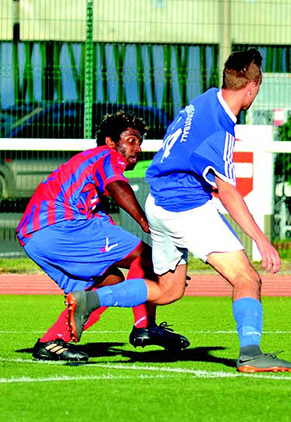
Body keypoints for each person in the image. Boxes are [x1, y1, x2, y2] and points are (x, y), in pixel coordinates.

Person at [140, 48, 291, 373]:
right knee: (247, 278)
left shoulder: (202, 102)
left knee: (168, 290)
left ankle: (95, 299)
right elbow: (228, 193)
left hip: (156, 201)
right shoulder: (220, 128)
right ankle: (251, 354)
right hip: (183, 207)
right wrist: (262, 241)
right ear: (253, 87)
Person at [17, 111, 188, 363]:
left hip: (35, 238)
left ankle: (51, 342)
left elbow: (96, 210)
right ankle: (145, 326)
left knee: (109, 283)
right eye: (132, 140)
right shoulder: (106, 155)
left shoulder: (87, 174)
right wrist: (145, 222)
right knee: (145, 256)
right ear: (110, 141)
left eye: (139, 142)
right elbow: (117, 186)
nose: (137, 148)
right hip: (60, 226)